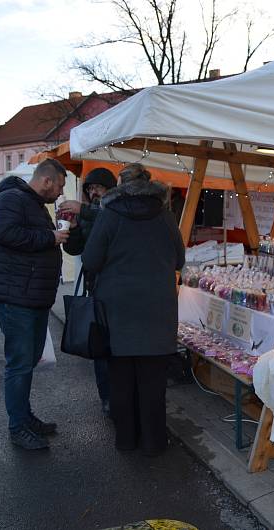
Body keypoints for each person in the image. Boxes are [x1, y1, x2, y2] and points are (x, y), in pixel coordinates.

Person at [82, 163, 185, 455]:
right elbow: (179, 260)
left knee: (121, 380)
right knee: (153, 382)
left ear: (120, 184)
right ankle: (154, 442)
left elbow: (90, 260)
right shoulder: (165, 217)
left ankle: (126, 440)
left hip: (117, 312)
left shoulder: (109, 214)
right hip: (157, 310)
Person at [0, 159, 69, 450]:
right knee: (20, 363)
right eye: (59, 186)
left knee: (28, 359)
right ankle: (17, 427)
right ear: (46, 180)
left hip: (29, 295)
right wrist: (50, 237)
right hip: (15, 296)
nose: (60, 192)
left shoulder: (30, 202)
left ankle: (24, 416)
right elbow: (4, 234)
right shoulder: (11, 198)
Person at [58, 167, 118, 417]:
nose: (93, 192)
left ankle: (121, 395)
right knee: (101, 347)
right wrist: (71, 229)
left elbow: (106, 214)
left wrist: (81, 210)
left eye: (98, 188)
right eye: (90, 188)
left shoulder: (113, 210)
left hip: (118, 288)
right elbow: (76, 250)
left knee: (118, 348)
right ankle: (107, 397)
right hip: (97, 289)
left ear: (110, 189)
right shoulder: (88, 213)